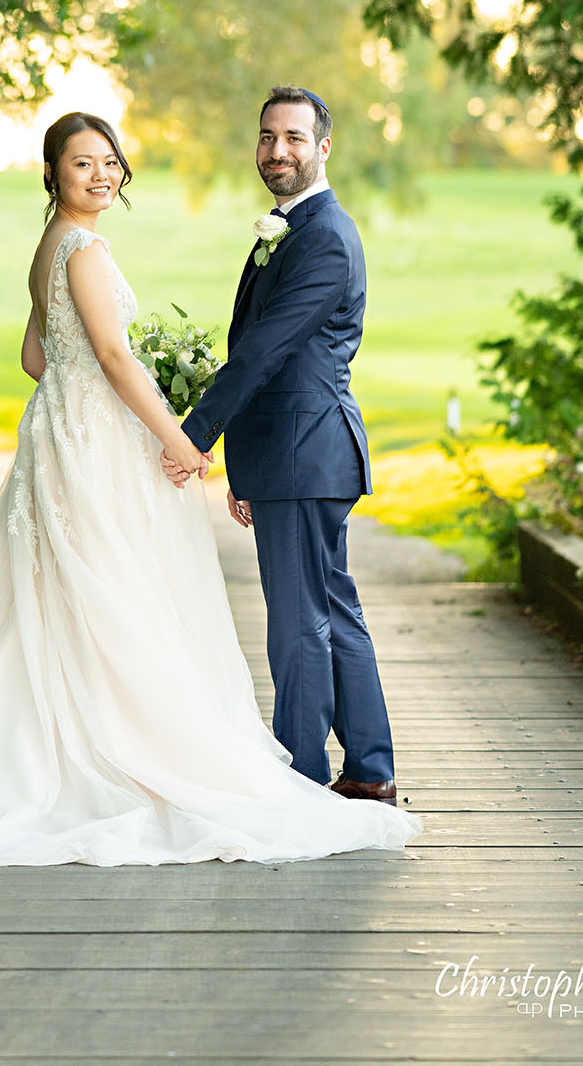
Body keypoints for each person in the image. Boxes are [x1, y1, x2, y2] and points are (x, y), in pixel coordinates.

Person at [0, 110, 420, 866]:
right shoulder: (89, 249)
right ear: (53, 174)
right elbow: (113, 357)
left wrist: (123, 407)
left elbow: (41, 359)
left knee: (255, 611)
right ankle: (338, 771)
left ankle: (352, 770)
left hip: (181, 444)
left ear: (323, 146)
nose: (101, 175)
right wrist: (175, 434)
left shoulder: (65, 248)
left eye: (109, 162)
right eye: (83, 164)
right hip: (124, 446)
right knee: (143, 602)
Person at [166, 87, 400, 805]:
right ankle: (367, 767)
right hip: (293, 454)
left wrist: (192, 434)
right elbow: (267, 355)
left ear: (323, 147)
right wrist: (244, 465)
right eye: (268, 137)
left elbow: (265, 351)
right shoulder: (291, 227)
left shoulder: (324, 235)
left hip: (307, 450)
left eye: (294, 138)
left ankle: (298, 778)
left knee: (300, 622)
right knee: (330, 607)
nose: (277, 151)